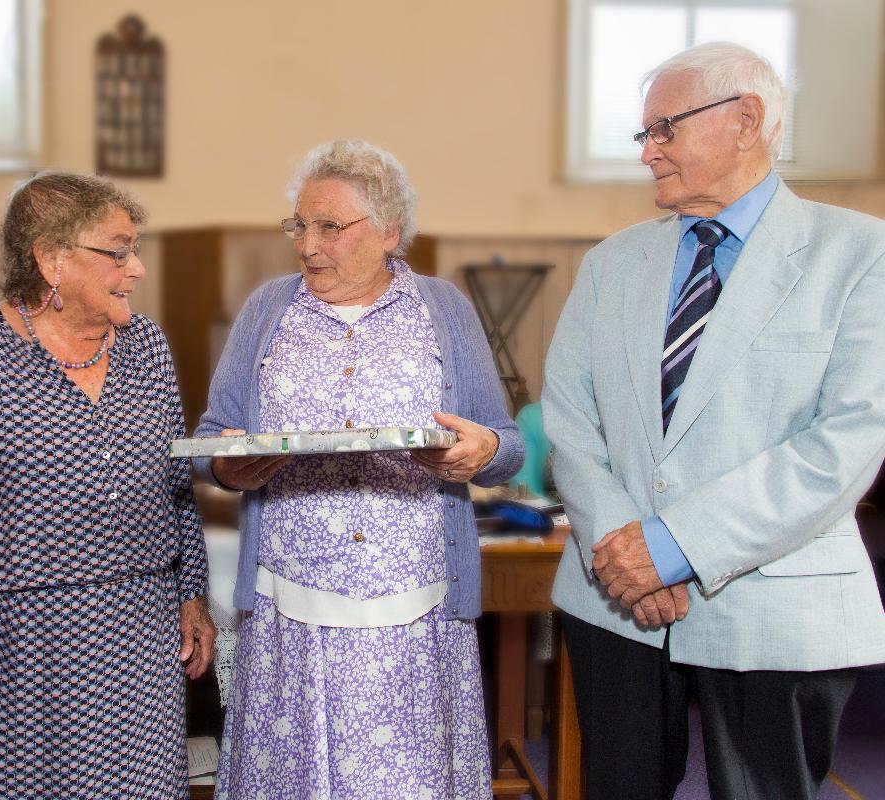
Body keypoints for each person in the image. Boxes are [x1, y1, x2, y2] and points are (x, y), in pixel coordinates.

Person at [542, 42, 885, 800]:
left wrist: (675, 547)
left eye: (663, 129)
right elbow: (569, 417)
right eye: (644, 136)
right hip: (614, 604)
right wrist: (623, 548)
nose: (648, 153)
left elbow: (847, 441)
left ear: (747, 121)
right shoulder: (611, 263)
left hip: (776, 600)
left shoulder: (861, 255)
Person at [195, 139, 523, 799]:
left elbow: (507, 441)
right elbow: (209, 442)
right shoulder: (268, 311)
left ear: (390, 232)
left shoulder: (444, 311)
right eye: (299, 225)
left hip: (415, 614)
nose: (307, 244)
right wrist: (234, 467)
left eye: (329, 227)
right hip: (295, 614)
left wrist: (481, 451)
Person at [0, 171, 215, 799]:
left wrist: (193, 596)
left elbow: (176, 487)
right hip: (20, 648)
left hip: (138, 636)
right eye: (118, 251)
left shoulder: (145, 348)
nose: (138, 268)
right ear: (51, 258)